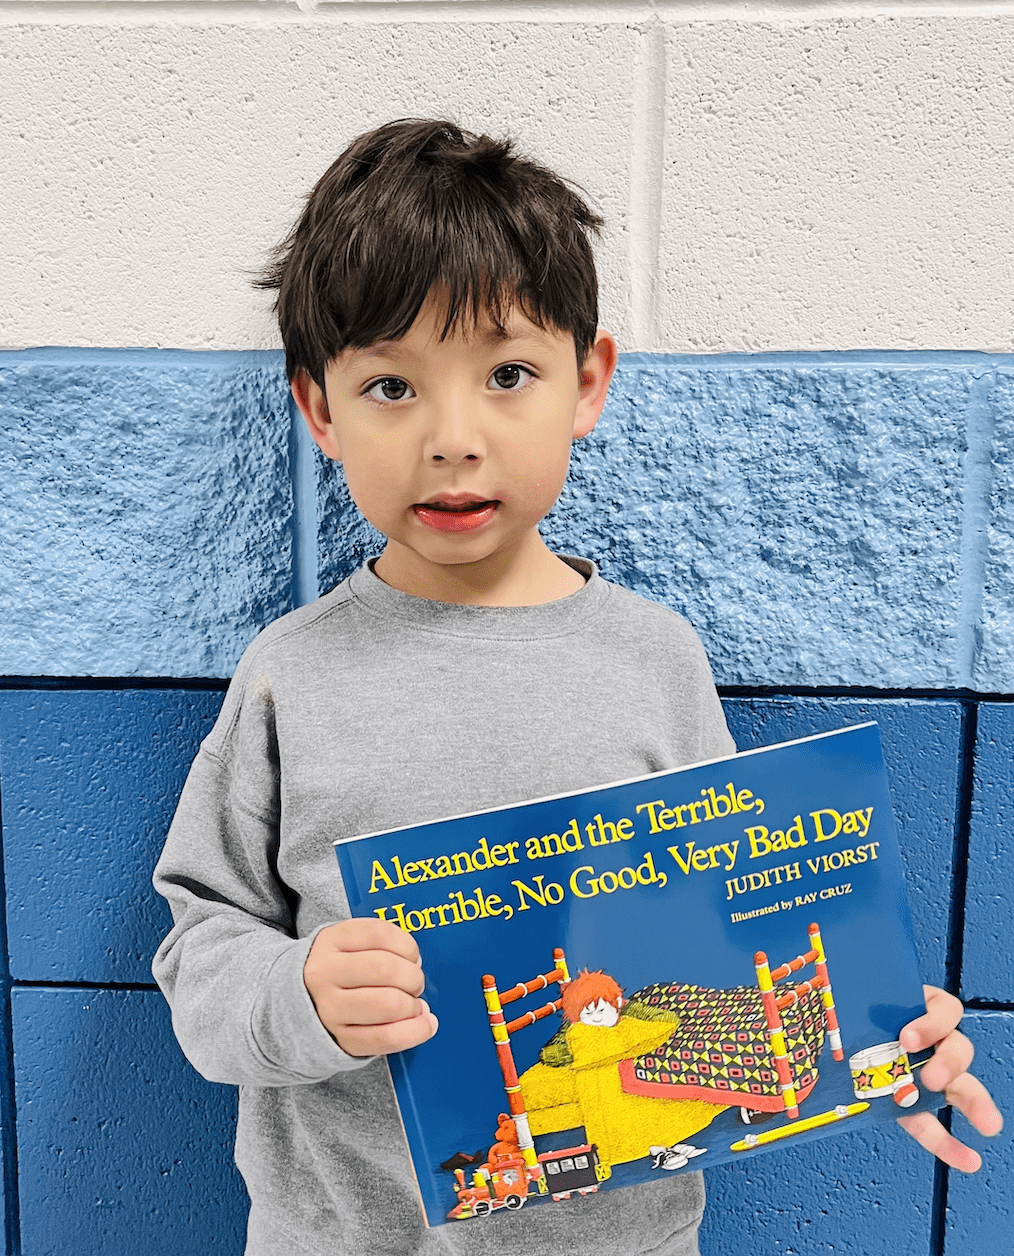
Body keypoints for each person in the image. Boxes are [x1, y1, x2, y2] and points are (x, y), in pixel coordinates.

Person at [152, 118, 1001, 1256]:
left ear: (587, 381)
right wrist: (296, 991)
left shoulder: (656, 660)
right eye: (391, 385)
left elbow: (740, 928)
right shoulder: (289, 675)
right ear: (319, 409)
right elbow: (199, 947)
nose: (453, 439)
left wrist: (879, 1040)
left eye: (508, 374)